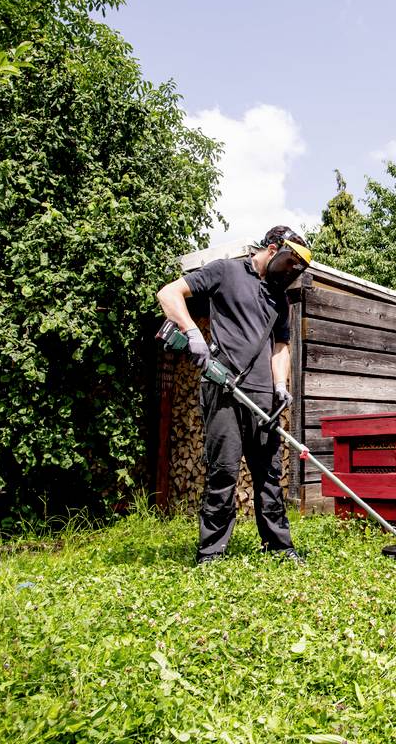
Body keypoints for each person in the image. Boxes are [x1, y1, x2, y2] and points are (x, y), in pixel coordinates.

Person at [156, 226, 313, 565]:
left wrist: (281, 385)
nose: (290, 272)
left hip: (263, 399)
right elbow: (169, 293)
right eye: (289, 263)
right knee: (224, 472)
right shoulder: (225, 271)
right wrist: (193, 334)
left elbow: (281, 346)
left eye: (296, 269)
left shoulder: (279, 299)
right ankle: (211, 552)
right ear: (272, 249)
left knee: (270, 475)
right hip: (223, 388)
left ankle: (280, 548)